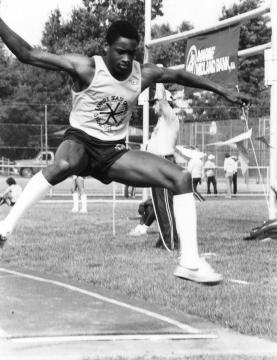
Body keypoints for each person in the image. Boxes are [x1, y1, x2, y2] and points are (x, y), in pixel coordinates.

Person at [0, 18, 248, 284]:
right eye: (120, 51)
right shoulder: (85, 68)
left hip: (113, 152)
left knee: (181, 178)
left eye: (132, 52)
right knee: (63, 165)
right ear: (106, 47)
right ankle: (5, 226)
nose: (127, 59)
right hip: (81, 142)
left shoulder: (143, 74)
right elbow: (27, 54)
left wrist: (222, 90)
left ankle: (190, 262)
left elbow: (178, 75)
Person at [146, 82, 179, 250]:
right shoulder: (160, 122)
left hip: (165, 162)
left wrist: (158, 77)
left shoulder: (170, 117)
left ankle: (171, 240)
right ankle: (164, 238)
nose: (153, 106)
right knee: (159, 206)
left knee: (165, 204)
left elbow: (163, 99)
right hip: (156, 163)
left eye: (155, 103)